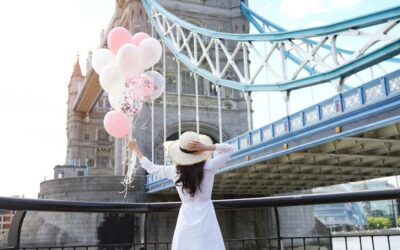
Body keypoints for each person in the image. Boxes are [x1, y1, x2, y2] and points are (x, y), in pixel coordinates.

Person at [128, 131, 234, 250]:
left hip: (186, 216)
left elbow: (151, 168)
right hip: (207, 215)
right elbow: (230, 149)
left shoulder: (175, 171)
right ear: (199, 152)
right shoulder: (209, 167)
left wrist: (135, 149)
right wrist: (207, 147)